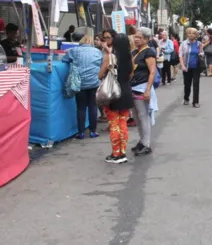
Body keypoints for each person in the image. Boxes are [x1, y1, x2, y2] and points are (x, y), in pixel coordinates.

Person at [99, 33, 134, 164]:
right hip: (126, 91)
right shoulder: (130, 57)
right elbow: (131, 74)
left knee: (114, 124)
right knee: (123, 123)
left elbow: (100, 75)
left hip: (113, 92)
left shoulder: (110, 57)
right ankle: (123, 152)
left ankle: (116, 153)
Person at [63, 32, 103, 140]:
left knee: (80, 107)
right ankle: (93, 131)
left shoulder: (74, 51)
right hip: (94, 82)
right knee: (93, 106)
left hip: (80, 83)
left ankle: (80, 132)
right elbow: (101, 63)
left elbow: (64, 59)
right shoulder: (98, 52)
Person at [130, 27, 157, 155]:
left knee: (143, 115)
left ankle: (146, 143)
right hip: (133, 87)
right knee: (136, 116)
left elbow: (152, 72)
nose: (136, 39)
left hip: (142, 87)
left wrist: (147, 90)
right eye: (135, 37)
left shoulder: (149, 52)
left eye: (139, 37)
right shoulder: (135, 51)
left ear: (146, 39)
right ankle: (141, 141)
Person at [180, 27, 203, 108]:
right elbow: (181, 56)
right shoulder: (183, 43)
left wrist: (201, 54)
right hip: (187, 67)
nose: (191, 35)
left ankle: (195, 102)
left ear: (196, 35)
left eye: (193, 33)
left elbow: (201, 52)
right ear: (187, 34)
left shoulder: (199, 43)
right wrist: (182, 66)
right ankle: (186, 98)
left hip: (196, 67)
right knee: (187, 84)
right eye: (189, 33)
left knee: (196, 84)